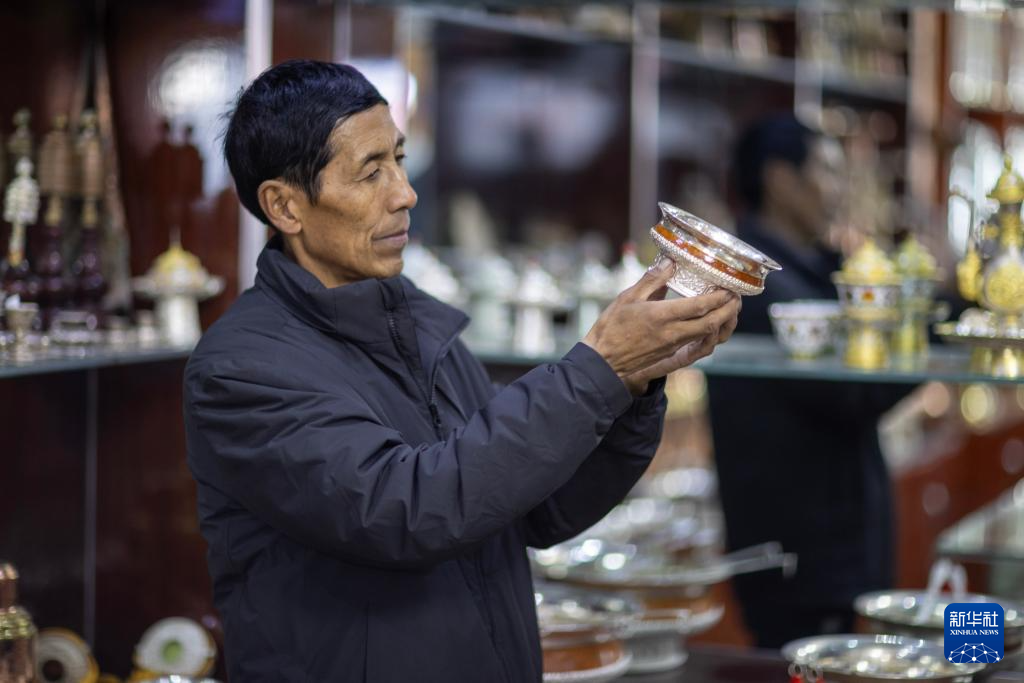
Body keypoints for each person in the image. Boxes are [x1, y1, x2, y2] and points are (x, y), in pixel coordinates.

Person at [183, 60, 742, 682]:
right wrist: (599, 368)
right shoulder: (243, 370)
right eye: (371, 172)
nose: (404, 193)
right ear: (285, 206)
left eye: (399, 159)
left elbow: (538, 508)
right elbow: (407, 510)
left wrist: (634, 381)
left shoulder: (417, 326)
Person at [707, 114, 911, 648]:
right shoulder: (753, 285)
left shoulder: (815, 269)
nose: (840, 189)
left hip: (833, 551)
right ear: (780, 179)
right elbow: (853, 391)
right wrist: (916, 327)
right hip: (798, 563)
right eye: (828, 171)